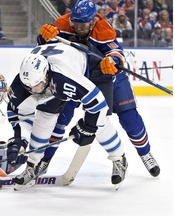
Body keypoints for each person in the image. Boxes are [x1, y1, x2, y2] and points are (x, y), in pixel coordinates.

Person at [38, 0, 160, 179]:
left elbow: (116, 53)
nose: (78, 28)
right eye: (75, 23)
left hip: (107, 76)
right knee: (61, 117)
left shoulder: (103, 29)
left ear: (93, 21)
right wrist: (43, 36)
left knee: (128, 117)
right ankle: (44, 160)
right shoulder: (63, 24)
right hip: (78, 76)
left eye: (83, 24)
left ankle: (145, 154)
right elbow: (46, 47)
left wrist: (112, 62)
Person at [6, 42, 127, 190]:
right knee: (44, 117)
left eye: (35, 85)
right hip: (53, 80)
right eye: (28, 87)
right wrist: (20, 141)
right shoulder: (24, 83)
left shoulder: (64, 78)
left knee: (100, 122)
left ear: (46, 75)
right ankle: (33, 164)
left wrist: (88, 126)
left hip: (90, 68)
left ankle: (119, 158)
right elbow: (21, 115)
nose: (32, 91)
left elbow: (98, 104)